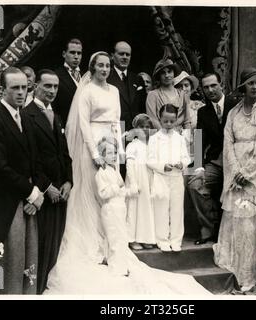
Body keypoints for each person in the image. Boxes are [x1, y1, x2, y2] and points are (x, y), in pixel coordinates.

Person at [44, 52, 211, 296]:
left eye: (107, 65)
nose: (104, 69)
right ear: (92, 68)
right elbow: (82, 123)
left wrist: (118, 153)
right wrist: (94, 153)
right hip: (91, 144)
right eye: (99, 65)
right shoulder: (88, 91)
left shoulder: (113, 91)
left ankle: (111, 243)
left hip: (112, 144)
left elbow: (116, 122)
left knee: (115, 195)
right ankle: (92, 244)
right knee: (92, 194)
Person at [0, 67, 50, 294]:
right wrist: (31, 191)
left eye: (24, 87)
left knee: (29, 262)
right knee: (11, 262)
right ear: (2, 90)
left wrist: (37, 192)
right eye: (15, 88)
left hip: (29, 201)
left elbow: (36, 160)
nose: (21, 92)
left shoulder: (25, 117)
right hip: (7, 201)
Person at [213, 67, 256, 292]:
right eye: (251, 83)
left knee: (253, 225)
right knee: (238, 224)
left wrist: (248, 172)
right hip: (236, 174)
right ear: (243, 87)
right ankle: (237, 270)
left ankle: (252, 273)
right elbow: (227, 143)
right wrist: (235, 171)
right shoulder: (234, 113)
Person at [22, 69, 73, 294]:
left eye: (55, 87)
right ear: (36, 87)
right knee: (40, 245)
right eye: (47, 86)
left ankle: (46, 289)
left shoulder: (57, 115)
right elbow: (30, 158)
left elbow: (64, 153)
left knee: (55, 244)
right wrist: (46, 187)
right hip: (42, 193)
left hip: (60, 191)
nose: (52, 91)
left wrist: (68, 182)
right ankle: (37, 290)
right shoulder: (27, 115)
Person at [187, 73, 237, 246]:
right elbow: (200, 139)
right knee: (195, 184)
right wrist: (199, 166)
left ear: (221, 84)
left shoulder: (236, 105)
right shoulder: (203, 111)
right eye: (206, 87)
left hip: (237, 161)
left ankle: (232, 234)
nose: (210, 90)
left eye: (213, 85)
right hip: (216, 161)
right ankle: (209, 230)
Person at [147, 104, 191, 252]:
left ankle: (176, 239)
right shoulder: (154, 139)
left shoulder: (179, 138)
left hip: (176, 177)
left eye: (172, 121)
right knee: (161, 208)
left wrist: (182, 164)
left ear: (176, 120)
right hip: (161, 177)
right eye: (165, 121)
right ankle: (162, 239)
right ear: (160, 119)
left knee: (177, 208)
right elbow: (150, 160)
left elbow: (186, 157)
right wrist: (162, 166)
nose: (168, 124)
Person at [95, 136, 138, 276]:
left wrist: (130, 191)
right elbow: (103, 193)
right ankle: (116, 268)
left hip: (119, 208)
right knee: (114, 237)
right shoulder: (101, 174)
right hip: (110, 209)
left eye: (114, 153)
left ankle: (118, 263)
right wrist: (115, 186)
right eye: (109, 153)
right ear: (102, 156)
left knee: (120, 237)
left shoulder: (115, 171)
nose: (113, 156)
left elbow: (121, 190)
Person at [125, 114, 156, 250]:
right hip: (137, 179)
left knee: (146, 209)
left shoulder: (152, 145)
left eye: (147, 127)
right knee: (134, 208)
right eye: (141, 127)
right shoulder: (133, 145)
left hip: (148, 179)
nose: (144, 130)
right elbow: (129, 165)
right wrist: (133, 183)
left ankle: (145, 237)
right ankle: (132, 238)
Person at [107, 41, 146, 132]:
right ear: (112, 56)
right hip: (115, 129)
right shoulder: (107, 78)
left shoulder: (137, 79)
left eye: (127, 54)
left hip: (136, 129)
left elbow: (142, 107)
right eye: (121, 54)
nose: (125, 57)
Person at [146, 59, 191, 132]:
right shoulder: (153, 95)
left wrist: (187, 139)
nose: (167, 75)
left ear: (174, 73)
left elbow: (187, 121)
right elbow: (153, 120)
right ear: (159, 76)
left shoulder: (182, 95)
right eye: (163, 73)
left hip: (181, 138)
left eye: (169, 72)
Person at [53, 38, 83, 125]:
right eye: (72, 52)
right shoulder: (56, 76)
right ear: (64, 54)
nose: (76, 56)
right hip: (66, 125)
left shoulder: (86, 76)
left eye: (79, 53)